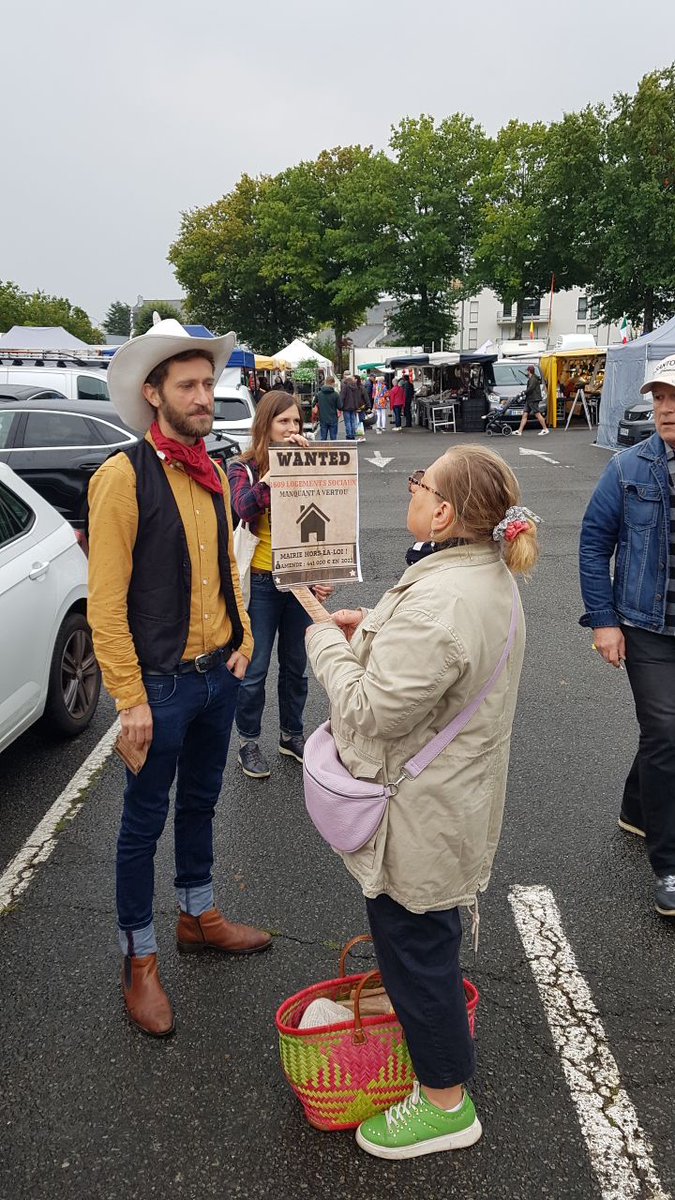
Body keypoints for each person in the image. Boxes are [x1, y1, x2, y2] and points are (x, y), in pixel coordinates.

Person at [305, 445, 537, 1160]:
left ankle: (443, 1102)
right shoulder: (476, 575)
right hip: (447, 803)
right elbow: (432, 672)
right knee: (420, 946)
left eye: (419, 482)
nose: (411, 489)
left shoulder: (442, 597)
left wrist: (323, 640)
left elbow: (371, 714)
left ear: (442, 511)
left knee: (417, 955)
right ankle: (435, 1068)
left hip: (421, 818)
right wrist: (366, 634)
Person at [87, 316, 271, 1040]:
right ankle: (140, 959)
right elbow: (105, 603)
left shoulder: (216, 470)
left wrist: (244, 635)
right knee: (140, 825)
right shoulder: (120, 477)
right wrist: (129, 699)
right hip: (158, 687)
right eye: (188, 384)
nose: (204, 395)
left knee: (201, 803)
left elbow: (228, 564)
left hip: (216, 676)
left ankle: (199, 915)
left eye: (208, 382)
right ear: (153, 392)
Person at [579, 354, 675, 919]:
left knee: (666, 733)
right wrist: (605, 620)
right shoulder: (627, 468)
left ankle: (637, 807)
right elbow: (595, 544)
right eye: (660, 398)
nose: (667, 409)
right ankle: (668, 865)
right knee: (666, 730)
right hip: (646, 624)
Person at [228, 391, 333, 779]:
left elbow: (328, 521)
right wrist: (278, 471)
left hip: (300, 580)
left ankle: (291, 735)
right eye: (283, 422)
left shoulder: (309, 464)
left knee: (296, 666)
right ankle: (249, 741)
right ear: (265, 424)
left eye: (297, 423)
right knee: (254, 670)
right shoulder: (244, 468)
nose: (292, 430)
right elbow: (243, 507)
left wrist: (323, 573)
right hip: (261, 580)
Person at [516, 365, 549, 437]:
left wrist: (524, 392)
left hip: (533, 399)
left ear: (529, 371)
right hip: (529, 399)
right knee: (525, 414)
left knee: (537, 414)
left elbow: (531, 388)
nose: (526, 372)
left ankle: (545, 429)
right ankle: (519, 431)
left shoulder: (533, 379)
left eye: (527, 371)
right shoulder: (532, 378)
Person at [315, 375, 340, 440]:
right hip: (333, 418)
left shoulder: (319, 394)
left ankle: (323, 450)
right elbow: (340, 406)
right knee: (333, 438)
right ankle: (333, 450)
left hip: (323, 418)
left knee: (323, 438)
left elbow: (313, 404)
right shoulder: (336, 394)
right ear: (332, 383)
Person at [339, 372, 362, 440]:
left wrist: (340, 406)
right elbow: (357, 397)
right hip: (354, 407)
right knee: (353, 421)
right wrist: (357, 406)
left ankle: (349, 435)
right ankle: (353, 434)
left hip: (346, 406)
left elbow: (342, 397)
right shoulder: (355, 387)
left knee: (348, 422)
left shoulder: (345, 386)